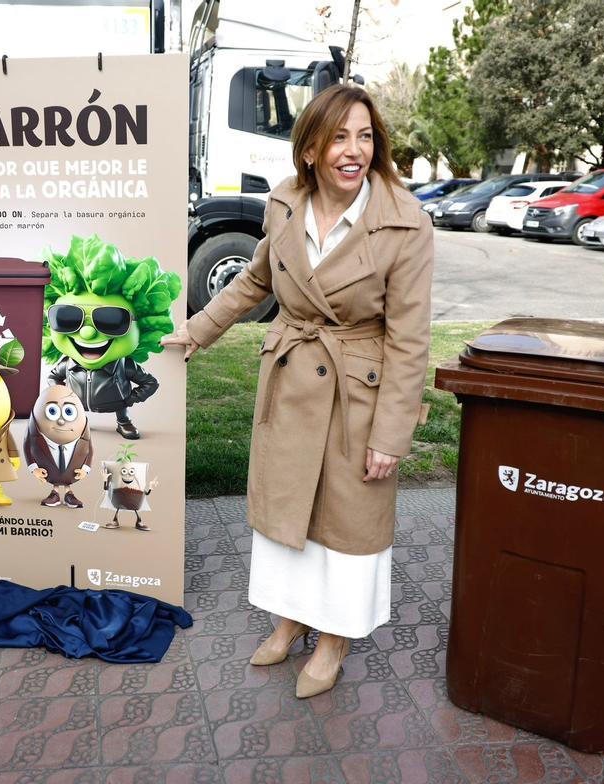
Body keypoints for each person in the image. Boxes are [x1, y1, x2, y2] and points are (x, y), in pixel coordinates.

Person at [162, 84, 433, 699]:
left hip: (355, 392)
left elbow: (411, 339)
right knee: (290, 518)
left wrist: (392, 434)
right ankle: (290, 622)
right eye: (339, 137)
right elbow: (255, 279)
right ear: (310, 148)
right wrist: (198, 331)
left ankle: (333, 640)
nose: (353, 150)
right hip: (291, 383)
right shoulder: (285, 205)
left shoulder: (404, 221)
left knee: (345, 526)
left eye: (365, 137)